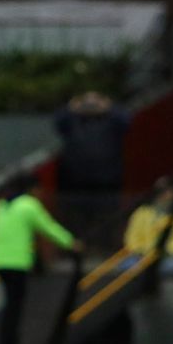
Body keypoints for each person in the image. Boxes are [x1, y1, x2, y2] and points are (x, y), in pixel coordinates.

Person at [0, 173, 82, 344]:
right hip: (17, 263)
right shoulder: (28, 205)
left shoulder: (1, 206)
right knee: (15, 309)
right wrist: (70, 242)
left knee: (9, 308)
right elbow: (47, 227)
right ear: (32, 189)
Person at [54, 90, 131, 252]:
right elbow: (57, 122)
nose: (91, 105)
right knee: (76, 221)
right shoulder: (72, 120)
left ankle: (105, 249)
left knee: (107, 220)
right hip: (75, 184)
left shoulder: (111, 120)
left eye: (95, 101)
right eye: (87, 101)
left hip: (107, 183)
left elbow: (126, 122)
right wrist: (71, 107)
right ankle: (76, 251)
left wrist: (109, 107)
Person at [123, 177, 173, 272]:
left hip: (172, 256)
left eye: (169, 190)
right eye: (161, 190)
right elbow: (131, 237)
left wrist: (165, 251)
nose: (165, 194)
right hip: (143, 256)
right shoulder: (142, 212)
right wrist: (143, 251)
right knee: (127, 265)